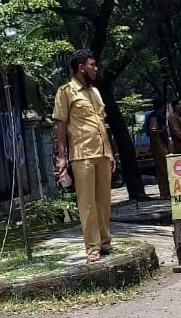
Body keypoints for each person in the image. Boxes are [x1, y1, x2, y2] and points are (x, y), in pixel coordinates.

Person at [53, 49, 116, 262]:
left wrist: (110, 151)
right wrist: (61, 157)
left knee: (104, 201)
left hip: (102, 153)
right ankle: (92, 247)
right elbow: (61, 126)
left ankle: (105, 241)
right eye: (92, 64)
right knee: (87, 203)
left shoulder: (95, 92)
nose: (96, 68)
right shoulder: (66, 91)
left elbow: (102, 124)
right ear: (81, 68)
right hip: (82, 155)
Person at [144, 97, 171, 199]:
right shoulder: (154, 116)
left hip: (160, 144)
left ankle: (165, 192)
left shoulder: (158, 115)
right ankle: (164, 193)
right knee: (163, 170)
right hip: (158, 145)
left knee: (162, 170)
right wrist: (162, 130)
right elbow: (152, 130)